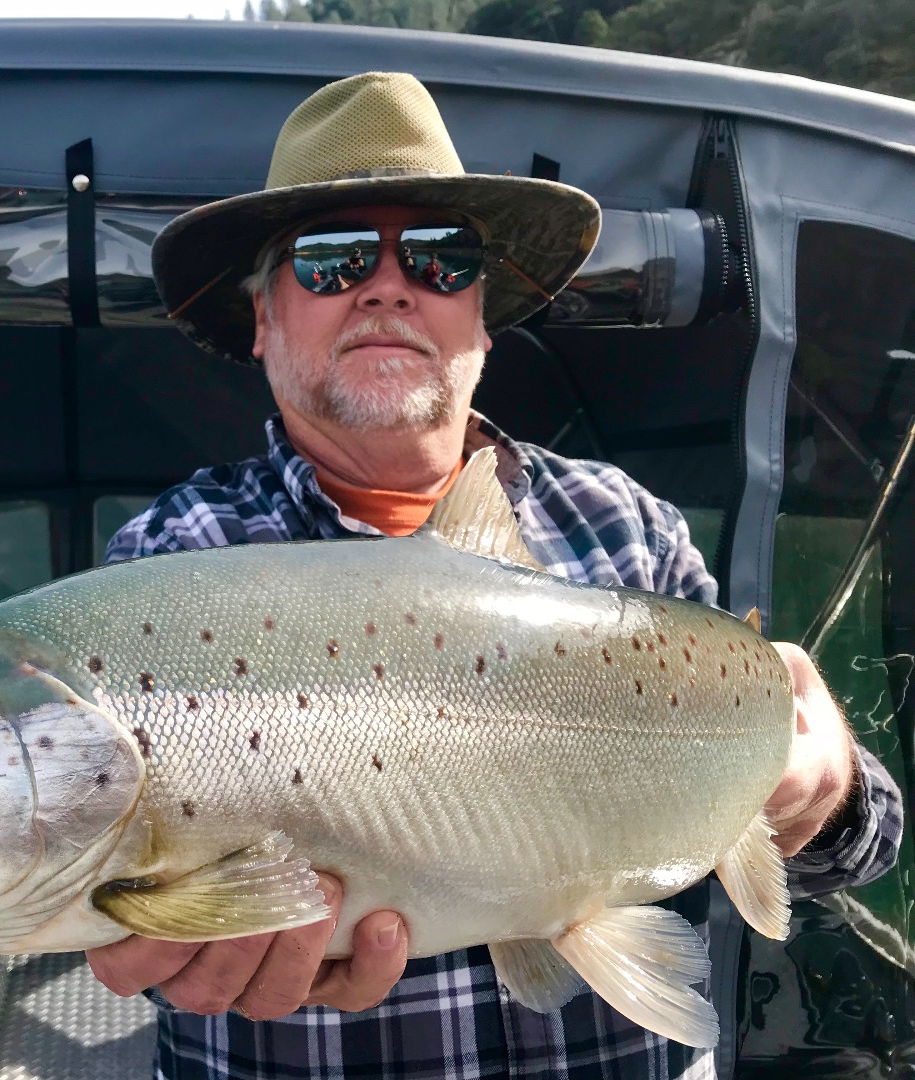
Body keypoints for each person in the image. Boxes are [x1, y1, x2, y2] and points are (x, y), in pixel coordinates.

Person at [88, 72, 903, 1079]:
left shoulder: (630, 530)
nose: (389, 286)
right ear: (262, 321)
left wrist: (823, 793)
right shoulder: (170, 570)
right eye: (332, 260)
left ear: (479, 316)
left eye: (439, 258)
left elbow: (863, 853)